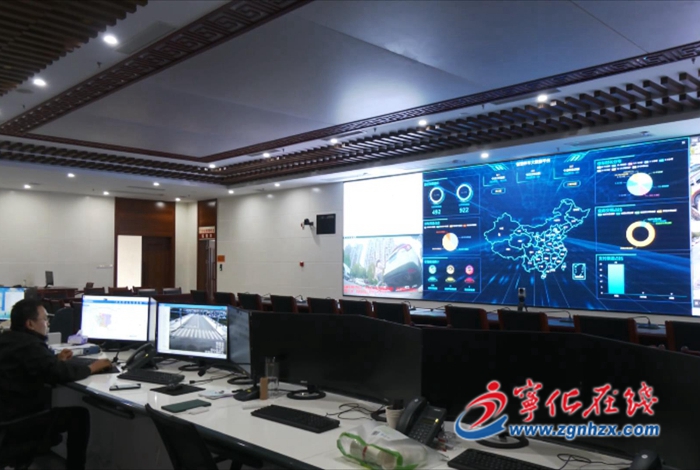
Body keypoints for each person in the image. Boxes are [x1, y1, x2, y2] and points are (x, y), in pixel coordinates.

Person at [0, 298, 112, 470]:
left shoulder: (8, 340)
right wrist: (92, 367)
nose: (48, 323)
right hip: (16, 424)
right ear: (30, 324)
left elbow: (33, 365)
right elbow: (60, 374)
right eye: (45, 319)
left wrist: (54, 360)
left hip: (6, 418)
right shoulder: (30, 345)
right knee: (79, 416)